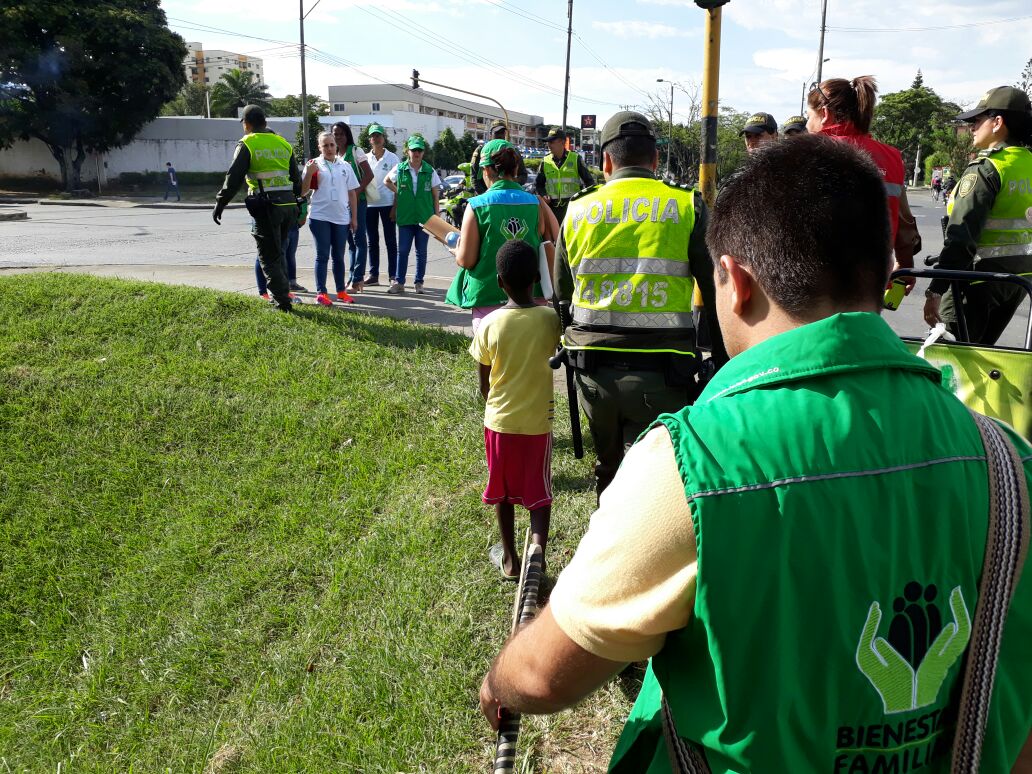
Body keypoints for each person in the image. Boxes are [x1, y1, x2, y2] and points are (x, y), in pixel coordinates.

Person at [478, 134, 1032, 773]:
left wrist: (499, 680)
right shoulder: (1007, 463)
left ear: (735, 281)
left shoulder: (692, 464)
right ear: (884, 276)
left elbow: (547, 675)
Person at [552, 111, 725, 498]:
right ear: (656, 160)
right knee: (666, 478)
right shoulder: (686, 206)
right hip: (667, 373)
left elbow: (561, 300)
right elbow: (716, 294)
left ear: (606, 162)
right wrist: (721, 362)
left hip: (594, 374)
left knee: (609, 470)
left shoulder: (578, 210)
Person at [469, 239, 561, 580]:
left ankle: (509, 560)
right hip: (538, 423)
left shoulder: (491, 324)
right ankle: (539, 557)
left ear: (498, 281)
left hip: (499, 424)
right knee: (539, 495)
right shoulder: (551, 320)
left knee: (503, 493)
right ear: (537, 277)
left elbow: (484, 383)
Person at [923, 86, 1032, 345]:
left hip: (976, 279)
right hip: (1018, 280)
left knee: (948, 358)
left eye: (977, 120)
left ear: (997, 123)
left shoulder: (987, 168)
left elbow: (961, 238)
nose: (972, 127)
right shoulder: (1028, 162)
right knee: (984, 354)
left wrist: (935, 289)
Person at [807, 76, 918, 293]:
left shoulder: (810, 152)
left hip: (818, 284)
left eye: (808, 115)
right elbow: (903, 220)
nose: (806, 124)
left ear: (825, 115)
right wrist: (905, 265)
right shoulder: (892, 157)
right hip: (872, 282)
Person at [447, 138, 558, 330]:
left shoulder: (476, 205)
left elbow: (466, 260)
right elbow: (555, 237)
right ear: (516, 169)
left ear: (487, 170)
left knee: (492, 358)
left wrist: (456, 251)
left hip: (488, 297)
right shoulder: (536, 203)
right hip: (531, 298)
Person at [213, 104, 302, 312]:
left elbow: (233, 178)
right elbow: (296, 180)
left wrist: (220, 202)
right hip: (288, 206)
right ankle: (282, 295)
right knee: (279, 252)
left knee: (268, 257)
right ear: (265, 121)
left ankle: (282, 303)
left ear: (247, 124)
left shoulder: (248, 143)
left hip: (267, 206)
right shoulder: (283, 143)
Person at [301, 131, 359, 306]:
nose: (329, 148)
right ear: (319, 147)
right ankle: (322, 293)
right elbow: (303, 192)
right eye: (325, 145)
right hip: (320, 216)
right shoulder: (313, 165)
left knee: (339, 256)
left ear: (336, 146)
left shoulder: (345, 166)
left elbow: (352, 193)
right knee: (322, 255)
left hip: (341, 217)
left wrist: (354, 217)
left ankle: (341, 291)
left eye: (332, 144)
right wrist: (309, 174)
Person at [384, 135, 442, 295]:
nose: (416, 153)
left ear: (423, 152)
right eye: (413, 150)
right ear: (407, 151)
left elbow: (435, 195)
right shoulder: (400, 168)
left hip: (425, 217)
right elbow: (386, 181)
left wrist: (437, 216)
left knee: (421, 251)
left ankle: (419, 282)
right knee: (402, 250)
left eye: (419, 150)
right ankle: (399, 282)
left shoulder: (429, 170)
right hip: (406, 216)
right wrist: (400, 193)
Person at [332, 121, 375, 294]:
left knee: (359, 240)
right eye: (335, 134)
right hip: (342, 204)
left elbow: (369, 174)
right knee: (350, 242)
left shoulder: (355, 151)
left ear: (347, 134)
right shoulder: (334, 154)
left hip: (358, 201)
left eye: (341, 134)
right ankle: (352, 277)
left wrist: (356, 193)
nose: (338, 137)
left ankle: (357, 279)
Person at [534, 127, 596, 226]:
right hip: (552, 210)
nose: (548, 145)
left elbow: (590, 183)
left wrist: (583, 201)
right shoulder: (545, 161)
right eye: (547, 142)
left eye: (552, 141)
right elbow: (538, 185)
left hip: (573, 209)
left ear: (562, 142)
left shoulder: (575, 159)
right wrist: (543, 194)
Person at [363, 123, 399, 287]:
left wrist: (395, 207)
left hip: (387, 204)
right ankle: (373, 274)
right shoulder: (364, 158)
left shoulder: (393, 158)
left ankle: (393, 275)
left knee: (391, 241)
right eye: (373, 136)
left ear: (383, 138)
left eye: (379, 135)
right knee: (372, 241)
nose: (376, 138)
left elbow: (398, 186)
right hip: (369, 204)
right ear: (370, 139)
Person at [255, 198, 308, 299]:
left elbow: (301, 194)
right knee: (263, 255)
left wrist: (303, 212)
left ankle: (286, 288)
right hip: (267, 213)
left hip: (289, 215)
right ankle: (264, 292)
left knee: (287, 254)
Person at [470, 120, 528, 194]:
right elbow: (474, 177)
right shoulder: (482, 150)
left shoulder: (512, 150)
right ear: (491, 134)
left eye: (502, 133)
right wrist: (485, 195)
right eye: (497, 133)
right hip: (486, 195)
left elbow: (523, 175)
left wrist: (509, 183)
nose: (500, 135)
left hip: (509, 194)